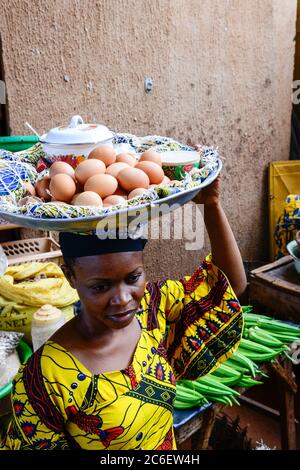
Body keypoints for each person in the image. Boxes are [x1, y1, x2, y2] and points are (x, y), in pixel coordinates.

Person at [0, 178, 247, 450]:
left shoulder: (153, 307)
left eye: (132, 278)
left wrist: (211, 205)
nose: (122, 300)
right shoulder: (45, 378)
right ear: (70, 276)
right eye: (101, 286)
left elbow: (229, 285)